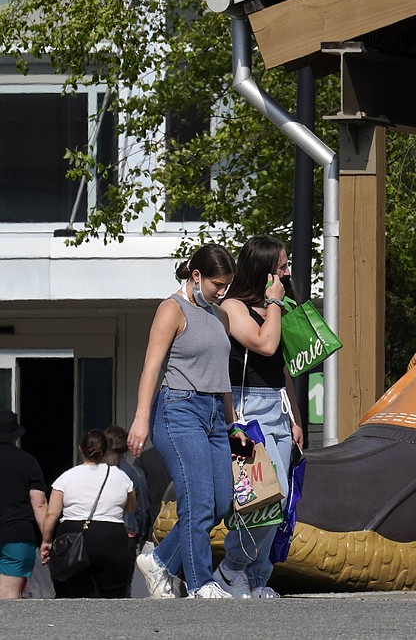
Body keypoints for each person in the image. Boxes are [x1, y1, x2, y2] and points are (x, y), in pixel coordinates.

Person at [127, 243, 240, 599]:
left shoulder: (219, 316)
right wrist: (141, 420)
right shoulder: (171, 310)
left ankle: (159, 559)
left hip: (214, 417)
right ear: (196, 276)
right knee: (198, 501)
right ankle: (200, 583)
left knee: (221, 502)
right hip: (179, 410)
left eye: (226, 286)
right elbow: (151, 367)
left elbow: (222, 376)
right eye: (216, 285)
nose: (222, 293)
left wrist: (233, 422)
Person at [212, 235, 304, 599]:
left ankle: (255, 576)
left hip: (278, 407)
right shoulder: (233, 307)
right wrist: (274, 303)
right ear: (264, 271)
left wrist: (296, 418)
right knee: (266, 495)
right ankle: (232, 567)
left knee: (279, 500)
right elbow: (265, 344)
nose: (287, 272)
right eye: (282, 267)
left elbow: (282, 368)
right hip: (248, 407)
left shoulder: (277, 308)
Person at [40, 430, 135, 598]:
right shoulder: (121, 477)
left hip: (72, 535)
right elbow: (131, 507)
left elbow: (51, 514)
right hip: (111, 537)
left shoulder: (66, 477)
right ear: (106, 450)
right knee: (113, 595)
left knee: (73, 593)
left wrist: (46, 541)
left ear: (80, 449)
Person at [0, 410, 47, 599]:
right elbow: (40, 505)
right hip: (17, 534)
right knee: (9, 593)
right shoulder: (28, 462)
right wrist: (47, 538)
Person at [104, 425, 150, 556]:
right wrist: (141, 534)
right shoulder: (135, 472)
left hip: (97, 532)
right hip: (127, 534)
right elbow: (143, 507)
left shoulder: (94, 470)